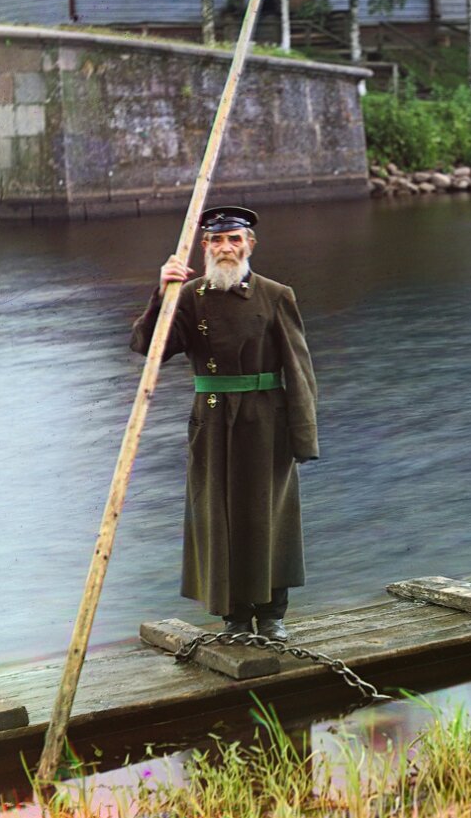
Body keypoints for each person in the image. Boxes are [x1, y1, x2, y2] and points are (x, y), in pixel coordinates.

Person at [130, 206, 318, 641]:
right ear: (205, 248)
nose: (226, 248)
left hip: (265, 420)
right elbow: (147, 347)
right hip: (211, 421)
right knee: (218, 518)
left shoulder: (276, 295)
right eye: (217, 240)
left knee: (269, 517)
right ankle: (233, 618)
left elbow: (299, 370)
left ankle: (272, 616)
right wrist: (162, 293)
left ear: (250, 244)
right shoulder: (188, 296)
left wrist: (303, 436)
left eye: (234, 239)